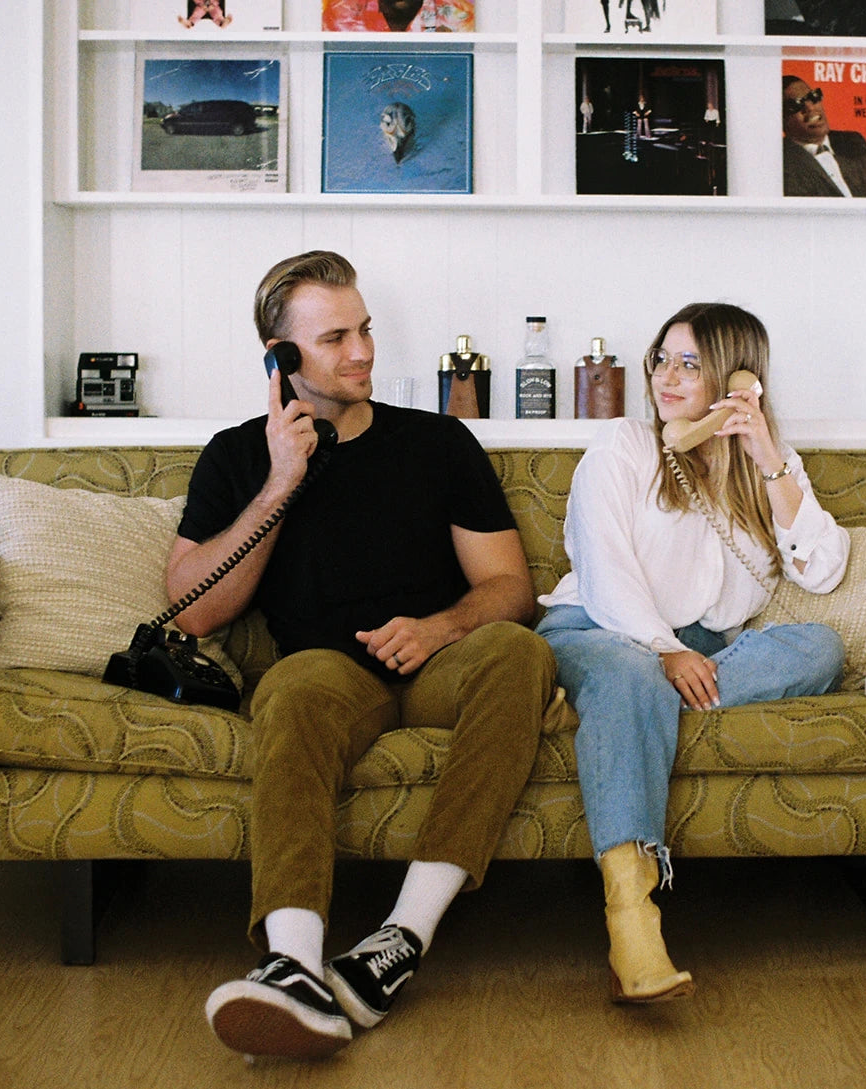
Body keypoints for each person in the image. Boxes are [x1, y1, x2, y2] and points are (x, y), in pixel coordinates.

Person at [174, 250, 561, 1061]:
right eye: (334, 338)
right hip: (328, 671)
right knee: (292, 690)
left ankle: (399, 940)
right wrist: (282, 480)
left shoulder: (438, 443)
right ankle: (295, 964)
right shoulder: (238, 456)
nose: (362, 352)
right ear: (279, 359)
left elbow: (510, 588)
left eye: (365, 329)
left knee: (520, 656)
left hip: (437, 665)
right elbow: (192, 607)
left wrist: (440, 627)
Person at [536, 302, 850, 1003]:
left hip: (706, 656)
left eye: (689, 363)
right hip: (599, 630)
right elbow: (606, 566)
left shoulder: (767, 463)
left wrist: (769, 460)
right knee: (630, 674)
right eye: (661, 359)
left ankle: (602, 715)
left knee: (819, 648)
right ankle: (633, 919)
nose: (665, 377)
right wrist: (662, 649)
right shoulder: (623, 445)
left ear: (740, 380)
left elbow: (822, 569)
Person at [782, 75, 866, 198]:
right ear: (781, 119)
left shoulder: (852, 142)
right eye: (796, 105)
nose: (811, 108)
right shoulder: (782, 162)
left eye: (813, 97)